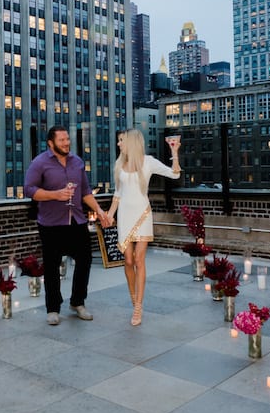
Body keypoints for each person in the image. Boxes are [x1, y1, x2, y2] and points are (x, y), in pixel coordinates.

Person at [24, 126, 110, 326]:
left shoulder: (77, 162)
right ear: (50, 143)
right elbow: (29, 189)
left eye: (67, 139)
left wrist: (100, 211)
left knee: (85, 260)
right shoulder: (39, 163)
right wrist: (55, 195)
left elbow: (86, 191)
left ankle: (77, 302)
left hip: (76, 220)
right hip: (50, 223)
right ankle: (53, 308)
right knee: (52, 266)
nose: (66, 143)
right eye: (61, 140)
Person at [107, 129, 181, 326]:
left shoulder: (147, 161)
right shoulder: (119, 164)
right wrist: (109, 214)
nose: (119, 144)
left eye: (121, 140)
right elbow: (118, 194)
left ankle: (138, 306)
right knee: (128, 260)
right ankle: (133, 297)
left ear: (131, 142)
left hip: (142, 215)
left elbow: (174, 174)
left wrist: (174, 152)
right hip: (124, 217)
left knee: (139, 260)